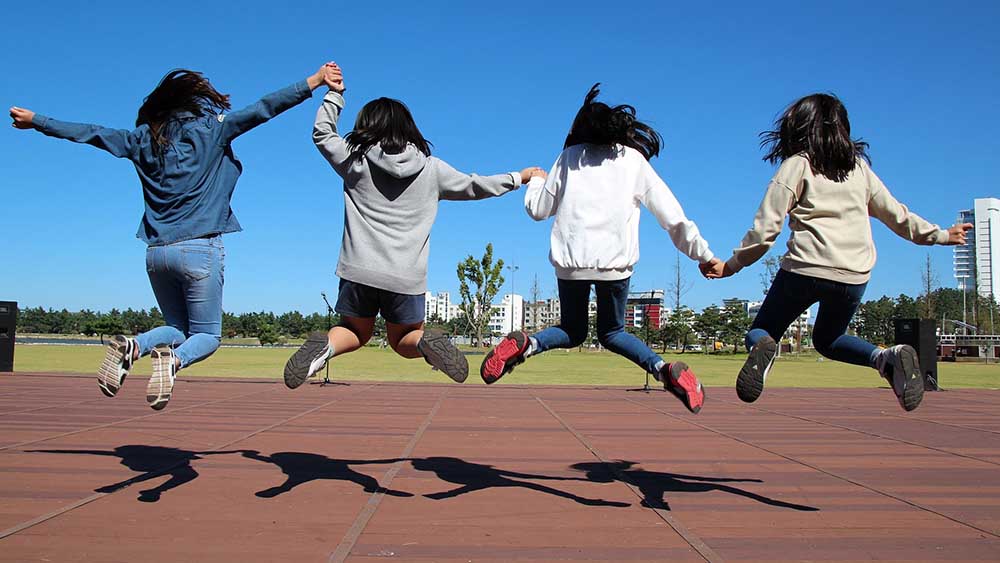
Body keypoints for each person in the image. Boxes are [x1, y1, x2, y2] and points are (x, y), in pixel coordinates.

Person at [10, 64, 332, 409]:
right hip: (199, 249)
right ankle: (173, 362)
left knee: (177, 328)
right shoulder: (211, 130)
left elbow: (92, 133)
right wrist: (314, 81)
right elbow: (264, 108)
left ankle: (135, 346)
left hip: (156, 253)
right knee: (207, 336)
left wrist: (38, 121)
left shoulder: (140, 139)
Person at [703, 93, 971, 412]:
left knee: (762, 331)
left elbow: (765, 232)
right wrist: (940, 235)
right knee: (828, 340)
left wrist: (731, 266)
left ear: (798, 129)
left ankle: (764, 347)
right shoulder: (859, 170)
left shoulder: (797, 165)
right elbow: (897, 216)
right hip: (853, 276)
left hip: (804, 269)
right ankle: (885, 357)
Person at [282, 63, 543, 387]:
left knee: (354, 331)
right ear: (409, 129)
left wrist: (334, 95)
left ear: (367, 126)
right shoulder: (432, 170)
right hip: (405, 277)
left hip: (357, 270)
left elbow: (323, 134)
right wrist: (519, 178)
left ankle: (325, 347)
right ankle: (425, 344)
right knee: (404, 339)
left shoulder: (356, 160)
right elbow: (476, 186)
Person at [479, 84, 717, 413]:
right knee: (613, 331)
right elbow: (672, 217)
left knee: (571, 330)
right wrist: (703, 255)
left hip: (571, 264)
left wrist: (535, 179)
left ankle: (527, 344)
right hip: (614, 266)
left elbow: (537, 210)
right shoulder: (633, 161)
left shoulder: (568, 158)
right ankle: (664, 370)